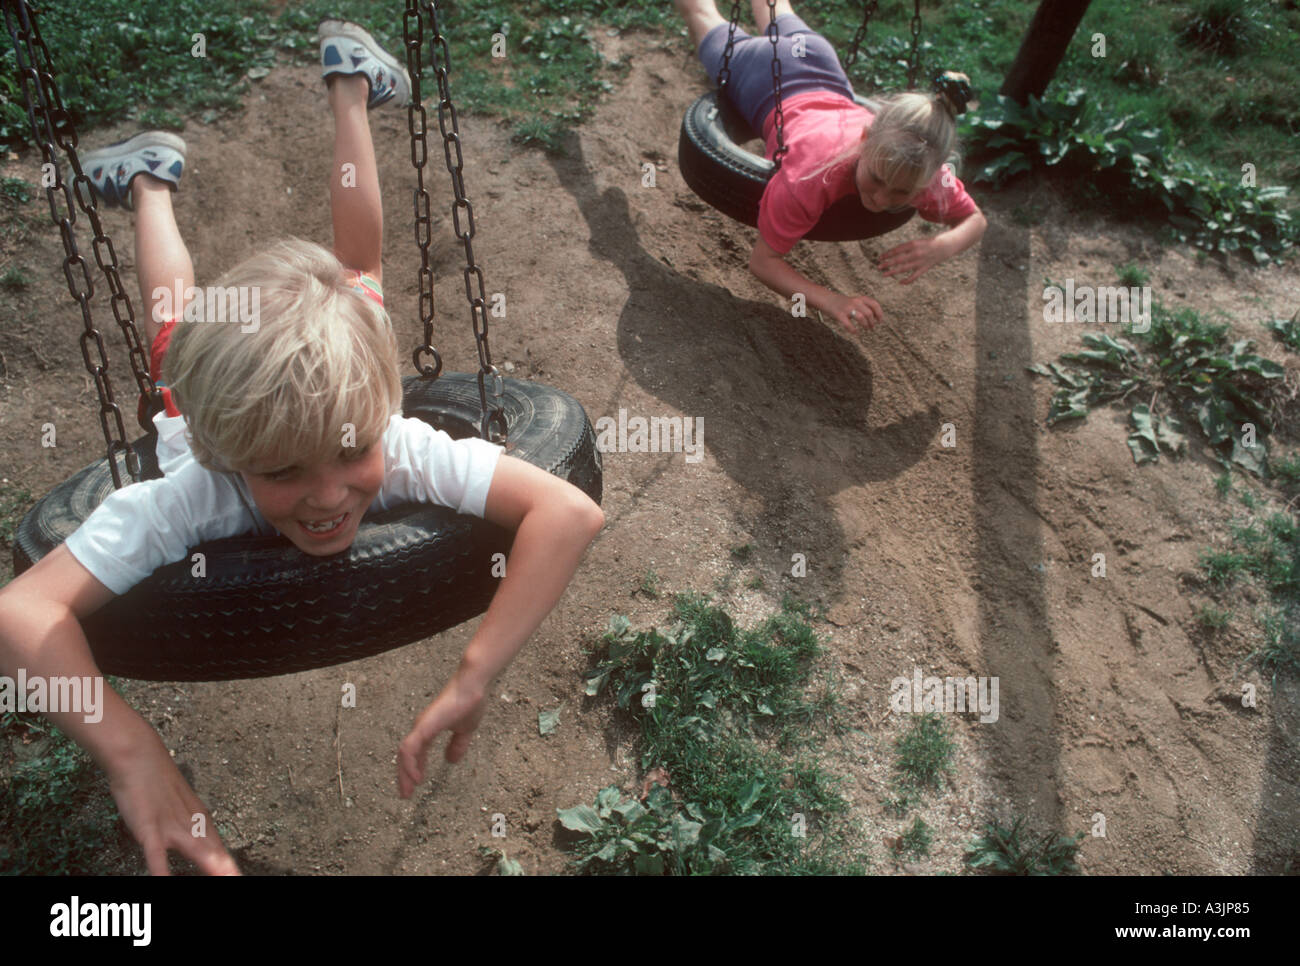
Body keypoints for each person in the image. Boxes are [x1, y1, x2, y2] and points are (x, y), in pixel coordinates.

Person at [0, 20, 604, 876]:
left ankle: (350, 87)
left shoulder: (391, 439)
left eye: (348, 457)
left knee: (360, 275)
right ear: (227, 457)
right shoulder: (195, 486)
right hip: (200, 387)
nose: (326, 498)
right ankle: (146, 183)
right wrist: (133, 751)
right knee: (176, 328)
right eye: (281, 474)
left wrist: (475, 672)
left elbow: (569, 512)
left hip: (337, 350)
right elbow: (19, 614)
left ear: (382, 413)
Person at [674, 0, 988, 334]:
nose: (882, 199)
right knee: (702, 15)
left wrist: (941, 247)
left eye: (901, 192)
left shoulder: (925, 169)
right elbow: (763, 262)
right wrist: (832, 300)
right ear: (865, 139)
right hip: (763, 75)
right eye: (877, 179)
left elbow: (975, 220)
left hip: (815, 55)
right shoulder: (808, 177)